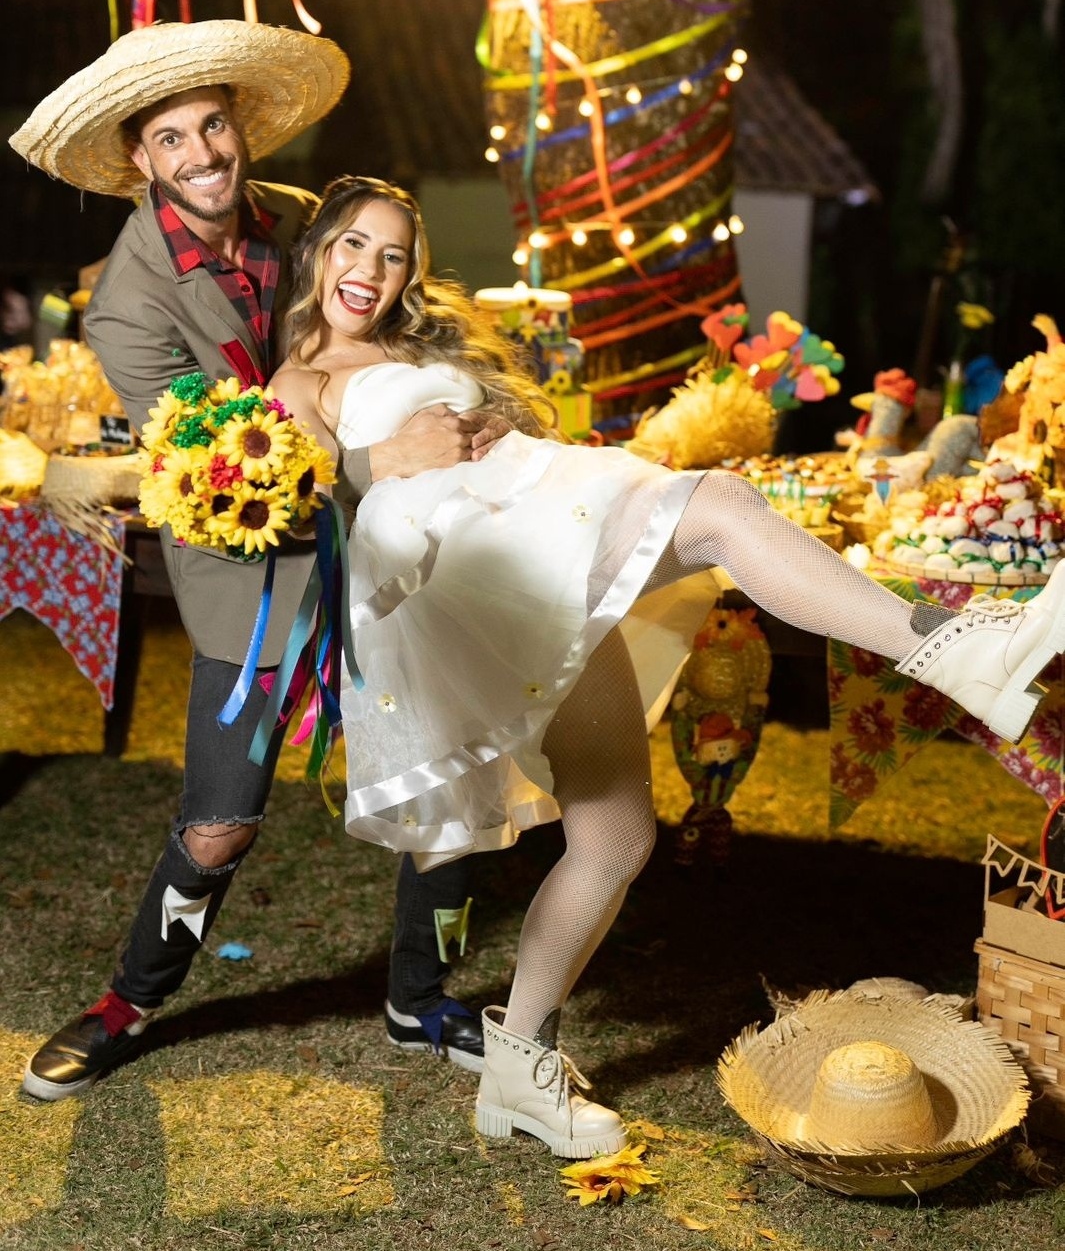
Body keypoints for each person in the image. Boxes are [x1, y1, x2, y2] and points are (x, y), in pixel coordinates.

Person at [272, 174, 1065, 1160]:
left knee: (615, 833)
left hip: (529, 524)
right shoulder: (299, 377)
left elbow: (521, 435)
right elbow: (307, 479)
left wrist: (487, 423)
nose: (371, 271)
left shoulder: (428, 346)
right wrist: (383, 453)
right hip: (459, 568)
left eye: (393, 254)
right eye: (353, 245)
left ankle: (517, 1071)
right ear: (316, 254)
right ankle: (967, 651)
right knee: (724, 506)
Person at [8, 21, 502, 1100]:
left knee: (448, 776)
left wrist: (450, 405)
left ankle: (419, 995)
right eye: (171, 136)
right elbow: (212, 477)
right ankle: (127, 1000)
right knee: (221, 819)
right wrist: (378, 454)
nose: (202, 153)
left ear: (240, 125)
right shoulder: (128, 306)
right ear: (139, 158)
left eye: (214, 124)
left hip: (389, 548)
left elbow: (374, 334)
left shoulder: (299, 224)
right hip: (255, 569)